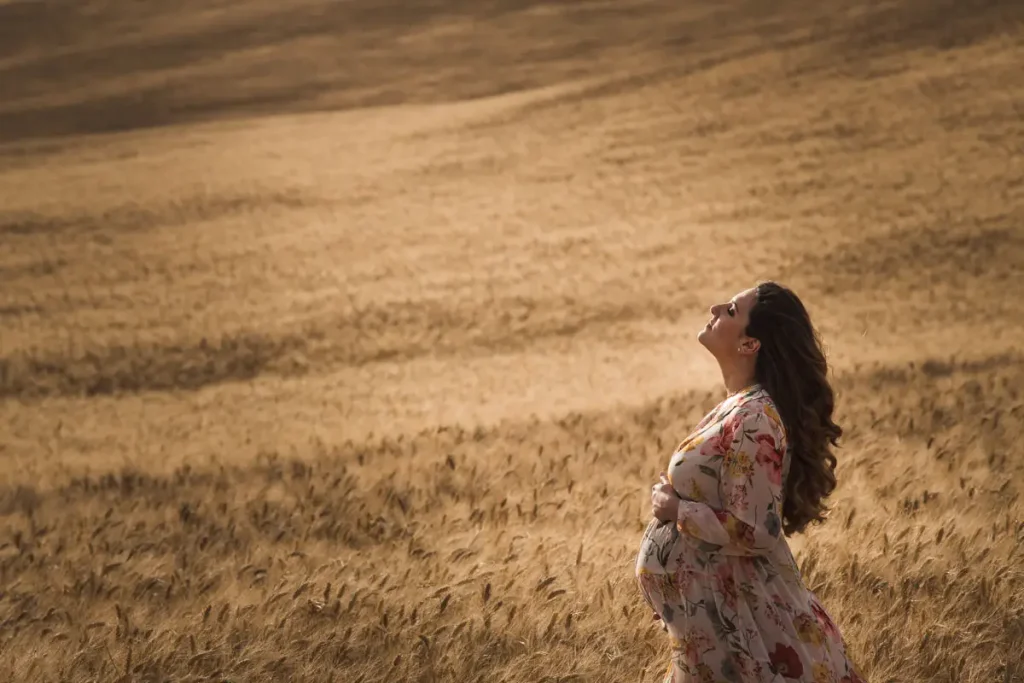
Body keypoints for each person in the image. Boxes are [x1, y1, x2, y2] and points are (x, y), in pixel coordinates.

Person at [635, 282, 865, 683]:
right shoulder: (739, 407)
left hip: (745, 631)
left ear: (749, 345)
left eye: (731, 311)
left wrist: (679, 510)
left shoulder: (755, 417)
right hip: (715, 629)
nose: (715, 306)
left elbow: (758, 530)